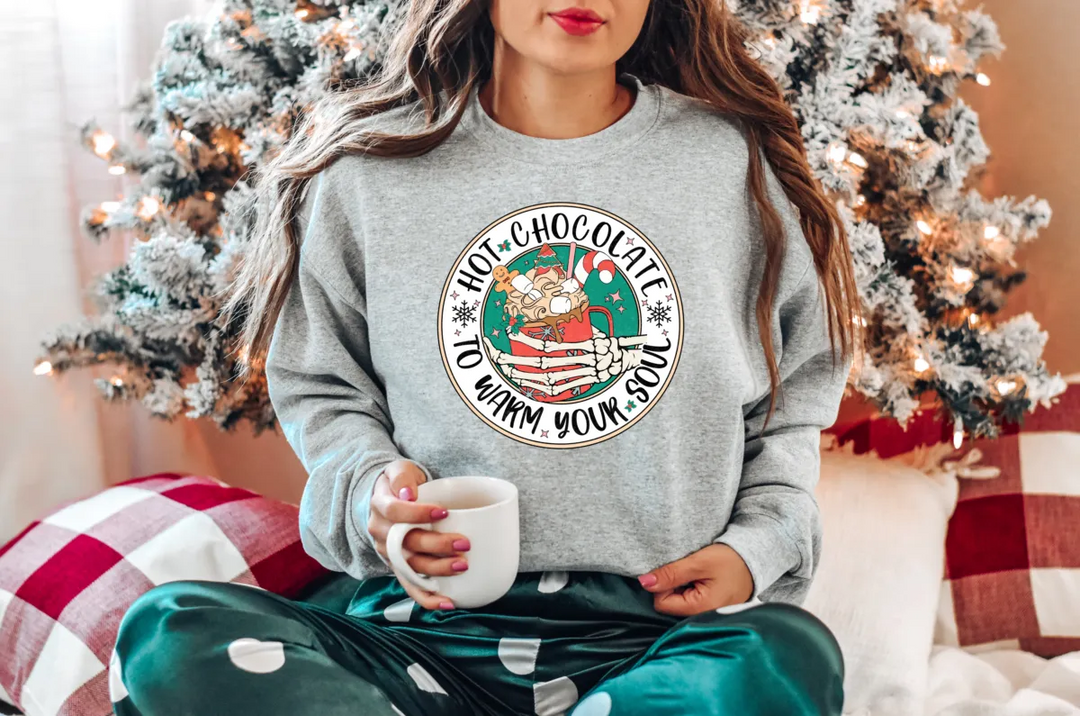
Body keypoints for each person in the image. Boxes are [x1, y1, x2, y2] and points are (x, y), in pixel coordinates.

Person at [111, 0, 860, 714]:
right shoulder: (368, 175)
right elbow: (322, 389)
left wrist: (761, 542)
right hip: (417, 634)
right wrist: (373, 492)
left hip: (655, 637)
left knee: (789, 654)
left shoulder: (729, 164)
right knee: (170, 631)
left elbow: (794, 395)